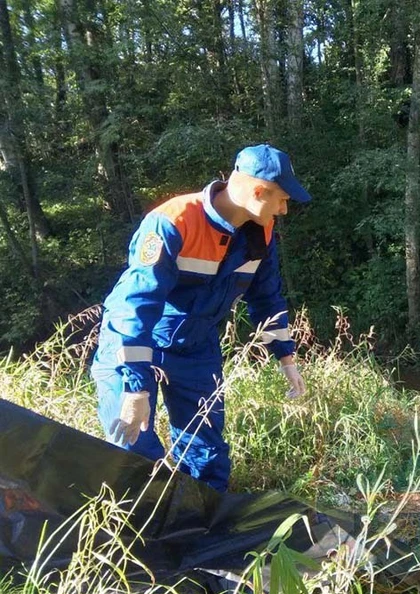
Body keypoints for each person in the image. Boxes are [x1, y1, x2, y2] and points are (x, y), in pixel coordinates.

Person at [91, 144, 311, 492]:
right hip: (135, 343)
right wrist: (135, 387)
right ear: (257, 192)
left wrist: (286, 358)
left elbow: (267, 298)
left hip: (197, 347)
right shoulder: (174, 221)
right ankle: (141, 534)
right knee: (134, 449)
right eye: (281, 200)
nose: (284, 210)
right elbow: (134, 305)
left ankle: (202, 531)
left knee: (205, 455)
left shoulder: (260, 234)